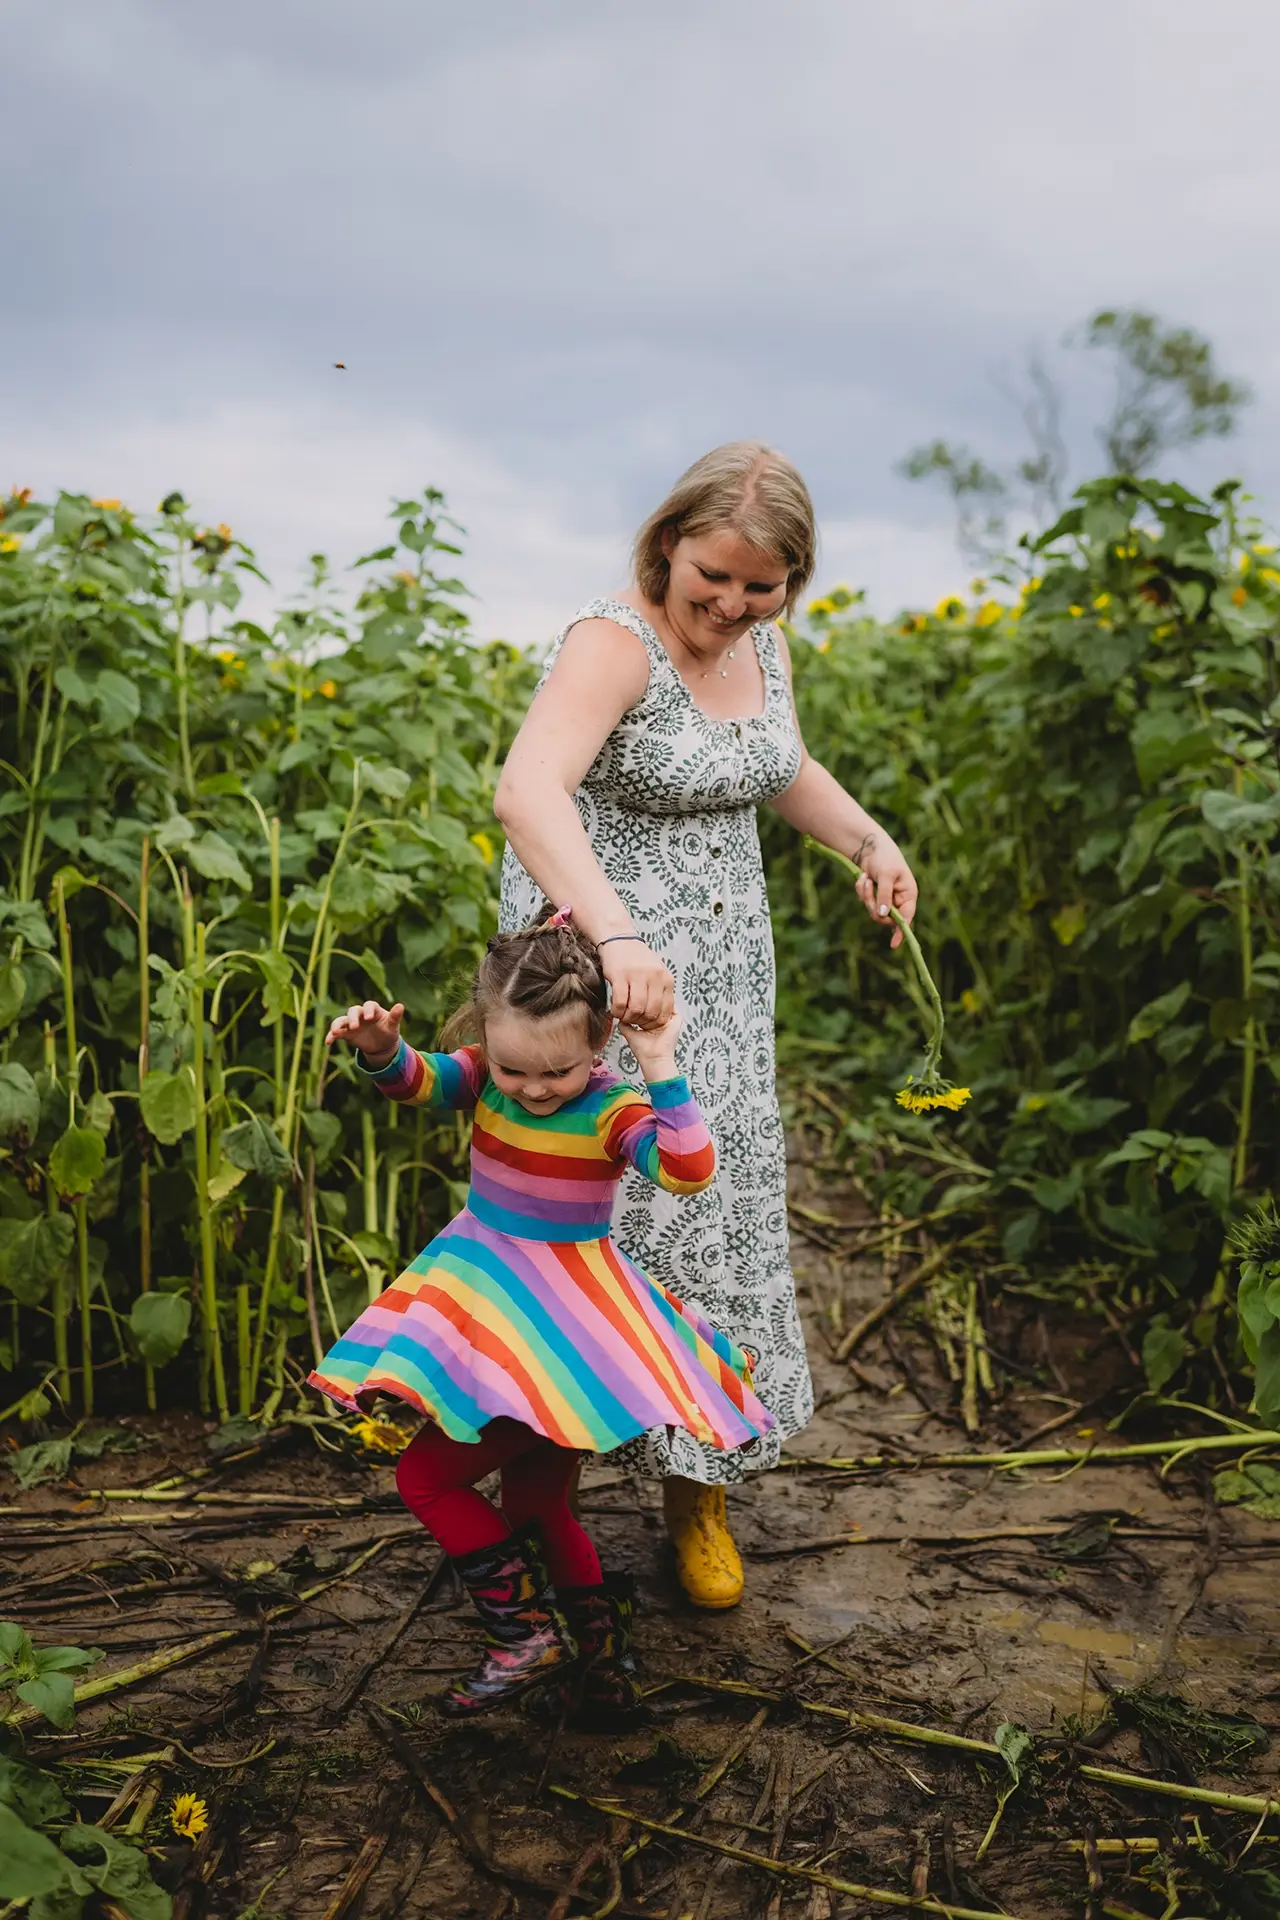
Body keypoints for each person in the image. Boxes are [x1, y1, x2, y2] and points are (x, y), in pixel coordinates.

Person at [496, 441, 919, 1609]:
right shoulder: (610, 644)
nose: (730, 607)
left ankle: (699, 1493)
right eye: (709, 583)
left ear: (790, 580)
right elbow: (527, 789)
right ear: (664, 546)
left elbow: (772, 764)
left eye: (760, 586)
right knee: (584, 1219)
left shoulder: (762, 649)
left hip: (722, 984)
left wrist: (865, 840)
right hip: (598, 975)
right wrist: (616, 936)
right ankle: (547, 1502)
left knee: (711, 1209)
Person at [308, 911, 773, 1723]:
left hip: (562, 1333)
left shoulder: (610, 1109)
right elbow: (423, 1082)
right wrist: (382, 1049)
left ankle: (525, 1636)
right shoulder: (490, 1072)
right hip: (487, 1306)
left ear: (599, 1043)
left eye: (556, 1071)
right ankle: (601, 1665)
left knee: (424, 1477)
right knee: (537, 1505)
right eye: (515, 1069)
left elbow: (689, 1170)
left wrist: (660, 1062)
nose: (530, 1087)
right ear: (489, 1037)